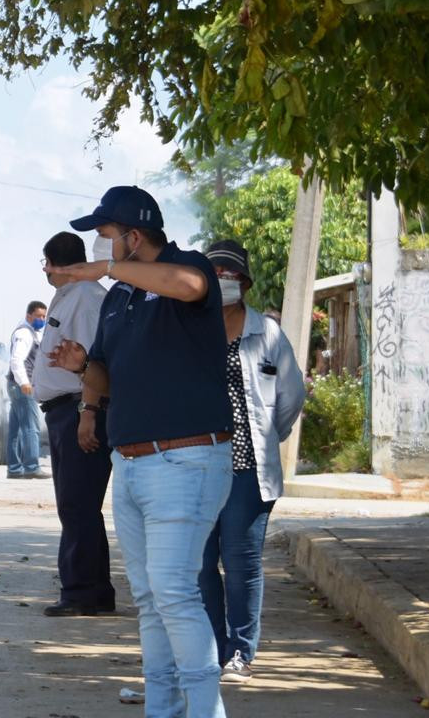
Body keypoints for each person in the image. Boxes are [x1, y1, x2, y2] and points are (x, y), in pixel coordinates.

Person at [52, 185, 233, 718]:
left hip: (186, 459)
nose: (100, 251)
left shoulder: (186, 267)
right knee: (152, 600)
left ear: (133, 236)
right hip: (130, 463)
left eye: (106, 238)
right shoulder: (120, 298)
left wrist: (103, 271)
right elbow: (106, 372)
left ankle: (205, 711)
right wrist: (82, 365)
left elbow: (188, 285)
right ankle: (164, 710)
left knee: (174, 592)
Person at [197, 241, 306, 684]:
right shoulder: (188, 329)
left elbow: (291, 396)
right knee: (201, 564)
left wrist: (264, 438)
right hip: (196, 467)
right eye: (215, 272)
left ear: (244, 282)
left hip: (246, 470)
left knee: (240, 563)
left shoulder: (268, 334)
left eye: (231, 273)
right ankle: (211, 648)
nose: (223, 280)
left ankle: (241, 649)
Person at [33, 231, 116, 617]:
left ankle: (81, 591)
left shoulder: (84, 298)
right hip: (65, 410)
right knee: (78, 505)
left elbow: (90, 364)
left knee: (78, 504)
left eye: (46, 263)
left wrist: (88, 414)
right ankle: (93, 589)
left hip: (78, 410)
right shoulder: (69, 295)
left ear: (52, 263)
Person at [6, 301, 47, 479]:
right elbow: (17, 360)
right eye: (38, 316)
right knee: (31, 427)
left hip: (15, 385)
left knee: (15, 429)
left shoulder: (31, 333)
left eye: (44, 316)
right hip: (22, 385)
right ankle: (31, 467)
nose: (41, 319)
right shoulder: (24, 334)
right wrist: (24, 382)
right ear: (28, 316)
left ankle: (14, 469)